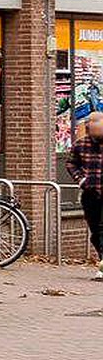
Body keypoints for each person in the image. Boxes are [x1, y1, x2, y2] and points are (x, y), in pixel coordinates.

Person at [73, 112, 103, 280]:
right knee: (95, 231)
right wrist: (81, 179)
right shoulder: (81, 145)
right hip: (90, 192)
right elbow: (71, 163)